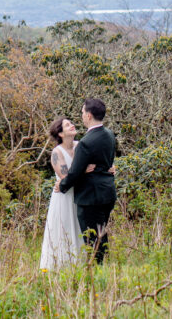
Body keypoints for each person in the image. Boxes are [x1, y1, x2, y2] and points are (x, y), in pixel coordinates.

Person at [58, 98, 116, 264]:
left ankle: (97, 271)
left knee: (92, 239)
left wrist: (61, 186)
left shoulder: (86, 143)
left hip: (91, 196)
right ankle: (101, 267)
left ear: (89, 116)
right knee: (101, 234)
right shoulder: (109, 134)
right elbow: (109, 160)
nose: (82, 116)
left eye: (83, 113)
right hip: (108, 192)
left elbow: (75, 172)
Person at [38, 117, 83, 270]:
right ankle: (62, 267)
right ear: (61, 133)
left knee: (79, 229)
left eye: (71, 123)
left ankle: (80, 265)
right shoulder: (57, 153)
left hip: (79, 195)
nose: (72, 125)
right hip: (64, 197)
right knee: (64, 229)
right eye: (67, 125)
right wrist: (85, 172)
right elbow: (67, 178)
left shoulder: (80, 146)